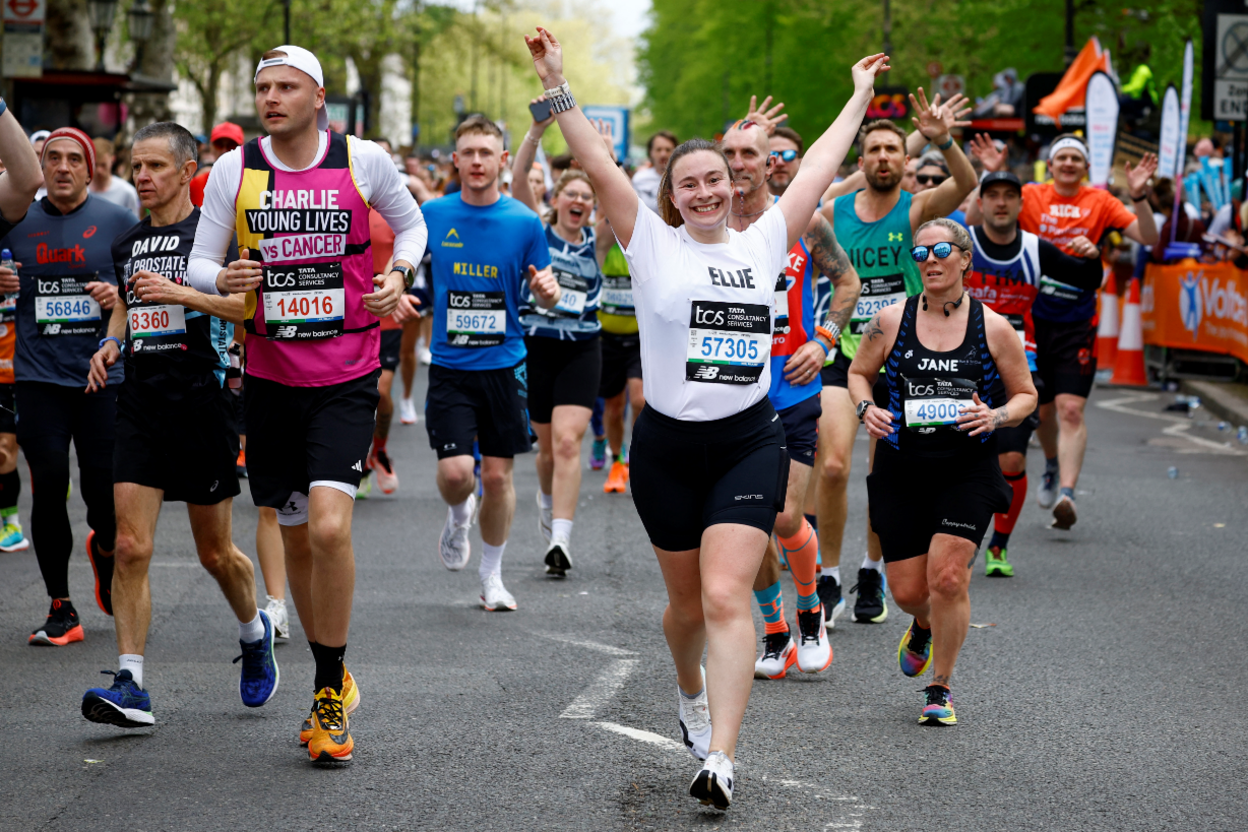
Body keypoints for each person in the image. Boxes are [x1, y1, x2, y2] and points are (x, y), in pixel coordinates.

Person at [525, 23, 887, 809]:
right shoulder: (650, 242)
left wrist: (859, 97)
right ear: (671, 194)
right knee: (685, 606)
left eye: (715, 179)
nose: (704, 192)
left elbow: (821, 165)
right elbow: (591, 155)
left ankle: (720, 757)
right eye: (688, 183)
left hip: (746, 441)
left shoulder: (765, 242)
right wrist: (556, 82)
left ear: (734, 183)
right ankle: (688, 692)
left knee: (726, 597)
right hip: (666, 450)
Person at [187, 44, 427, 764]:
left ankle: (328, 691)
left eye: (286, 86)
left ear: (317, 96)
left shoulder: (363, 160)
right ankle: (335, 672)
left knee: (327, 529)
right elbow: (201, 260)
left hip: (347, 374)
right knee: (293, 535)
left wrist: (398, 273)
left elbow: (411, 227)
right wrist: (223, 272)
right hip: (268, 378)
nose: (271, 97)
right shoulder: (237, 168)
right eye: (263, 87)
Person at [80, 121, 278, 728]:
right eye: (137, 167)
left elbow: (249, 310)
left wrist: (184, 293)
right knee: (130, 546)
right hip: (141, 402)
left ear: (188, 171)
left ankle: (254, 632)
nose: (142, 177)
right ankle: (130, 683)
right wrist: (111, 343)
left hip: (203, 400)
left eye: (156, 167)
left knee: (215, 553)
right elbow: (127, 303)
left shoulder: (213, 239)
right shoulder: (128, 241)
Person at [849, 218, 1037, 726]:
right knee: (911, 591)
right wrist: (867, 410)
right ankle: (923, 624)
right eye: (921, 252)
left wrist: (995, 416)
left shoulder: (994, 327)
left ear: (964, 259)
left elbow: (1026, 395)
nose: (930, 259)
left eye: (941, 250)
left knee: (949, 578)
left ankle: (941, 687)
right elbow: (858, 373)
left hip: (966, 468)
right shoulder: (889, 320)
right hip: (902, 465)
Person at [818, 101, 978, 625]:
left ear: (905, 160)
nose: (883, 157)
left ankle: (870, 569)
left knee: (877, 473)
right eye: (874, 149)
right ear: (860, 160)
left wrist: (941, 140)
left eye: (892, 148)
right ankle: (828, 575)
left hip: (903, 360)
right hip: (846, 356)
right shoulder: (835, 213)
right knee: (836, 463)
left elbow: (966, 180)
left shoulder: (914, 210)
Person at [720, 115, 860, 679]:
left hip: (792, 384)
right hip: (728, 387)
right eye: (728, 152)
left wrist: (825, 340)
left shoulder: (803, 219)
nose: (739, 163)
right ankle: (774, 630)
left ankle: (809, 613)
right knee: (742, 523)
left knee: (781, 517)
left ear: (772, 162)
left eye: (752, 154)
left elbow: (846, 283)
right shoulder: (705, 223)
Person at [400, 114, 557, 610]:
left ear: (502, 160)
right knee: (454, 475)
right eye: (467, 152)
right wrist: (405, 296)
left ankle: (492, 576)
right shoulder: (433, 215)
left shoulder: (525, 223)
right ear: (455, 160)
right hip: (449, 366)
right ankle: (457, 514)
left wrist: (547, 292)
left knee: (497, 476)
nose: (476, 161)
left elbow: (545, 292)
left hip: (505, 364)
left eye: (485, 152)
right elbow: (413, 276)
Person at [970, 134, 1158, 529]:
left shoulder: (1102, 201)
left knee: (1071, 408)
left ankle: (1068, 494)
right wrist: (988, 173)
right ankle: (1052, 464)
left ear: (1086, 167)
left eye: (1077, 158)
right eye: (1062, 158)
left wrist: (1139, 198)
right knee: (1044, 409)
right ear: (1050, 165)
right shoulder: (1030, 196)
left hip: (1077, 321)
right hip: (1032, 322)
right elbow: (976, 222)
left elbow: (1149, 239)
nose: (1069, 163)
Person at [2, 128, 134, 646]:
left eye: (73, 159)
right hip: (38, 379)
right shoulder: (16, 222)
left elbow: (146, 295)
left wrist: (115, 298)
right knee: (49, 483)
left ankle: (104, 554)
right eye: (52, 158)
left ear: (90, 166)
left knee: (104, 502)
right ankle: (61, 607)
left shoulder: (118, 221)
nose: (61, 167)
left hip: (102, 380)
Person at [965, 171, 1104, 577]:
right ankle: (955, 535)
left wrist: (1093, 257)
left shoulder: (1035, 249)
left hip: (1016, 367)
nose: (1002, 203)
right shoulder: (963, 244)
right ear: (982, 202)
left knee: (1010, 457)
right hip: (960, 363)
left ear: (1022, 206)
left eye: (1010, 196)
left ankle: (999, 546)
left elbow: (1085, 281)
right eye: (993, 196)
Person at [510, 101, 610, 577]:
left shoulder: (599, 240)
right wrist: (536, 129)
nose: (580, 202)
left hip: (582, 347)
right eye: (571, 195)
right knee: (548, 449)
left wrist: (602, 162)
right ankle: (548, 502)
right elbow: (517, 180)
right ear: (557, 201)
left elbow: (616, 194)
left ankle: (562, 538)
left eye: (586, 198)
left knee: (570, 443)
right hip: (538, 345)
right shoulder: (535, 230)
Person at [0, 104, 48, 555]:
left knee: (5, 449)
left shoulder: (25, 222)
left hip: (15, 357)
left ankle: (8, 519)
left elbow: (26, 179)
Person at [189, 122, 243, 208]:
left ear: (241, 147)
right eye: (219, 144)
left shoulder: (249, 183)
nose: (224, 150)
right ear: (211, 147)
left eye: (231, 145)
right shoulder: (197, 183)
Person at [89, 138, 141, 219]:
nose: (99, 170)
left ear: (112, 160)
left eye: (103, 165)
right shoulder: (81, 191)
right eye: (95, 165)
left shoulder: (127, 192)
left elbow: (134, 226)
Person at [631, 130, 677, 214]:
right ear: (650, 152)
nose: (663, 154)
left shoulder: (684, 179)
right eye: (658, 149)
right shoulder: (640, 178)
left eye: (668, 150)